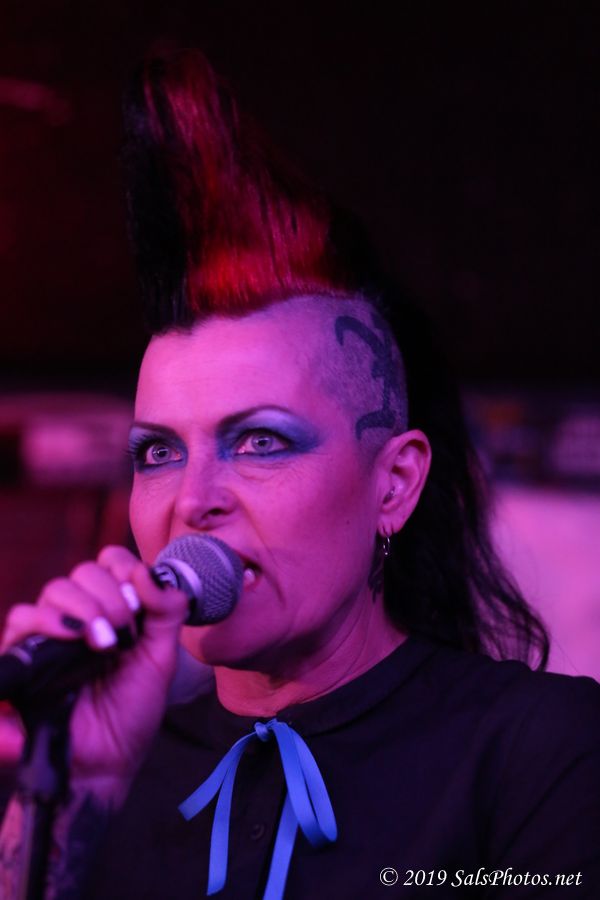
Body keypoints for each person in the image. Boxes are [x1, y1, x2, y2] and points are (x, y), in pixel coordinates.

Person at [0, 49, 599, 899]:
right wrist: (76, 790)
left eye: (259, 442)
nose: (192, 501)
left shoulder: (536, 749)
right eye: (158, 452)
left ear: (394, 484)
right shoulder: (108, 772)